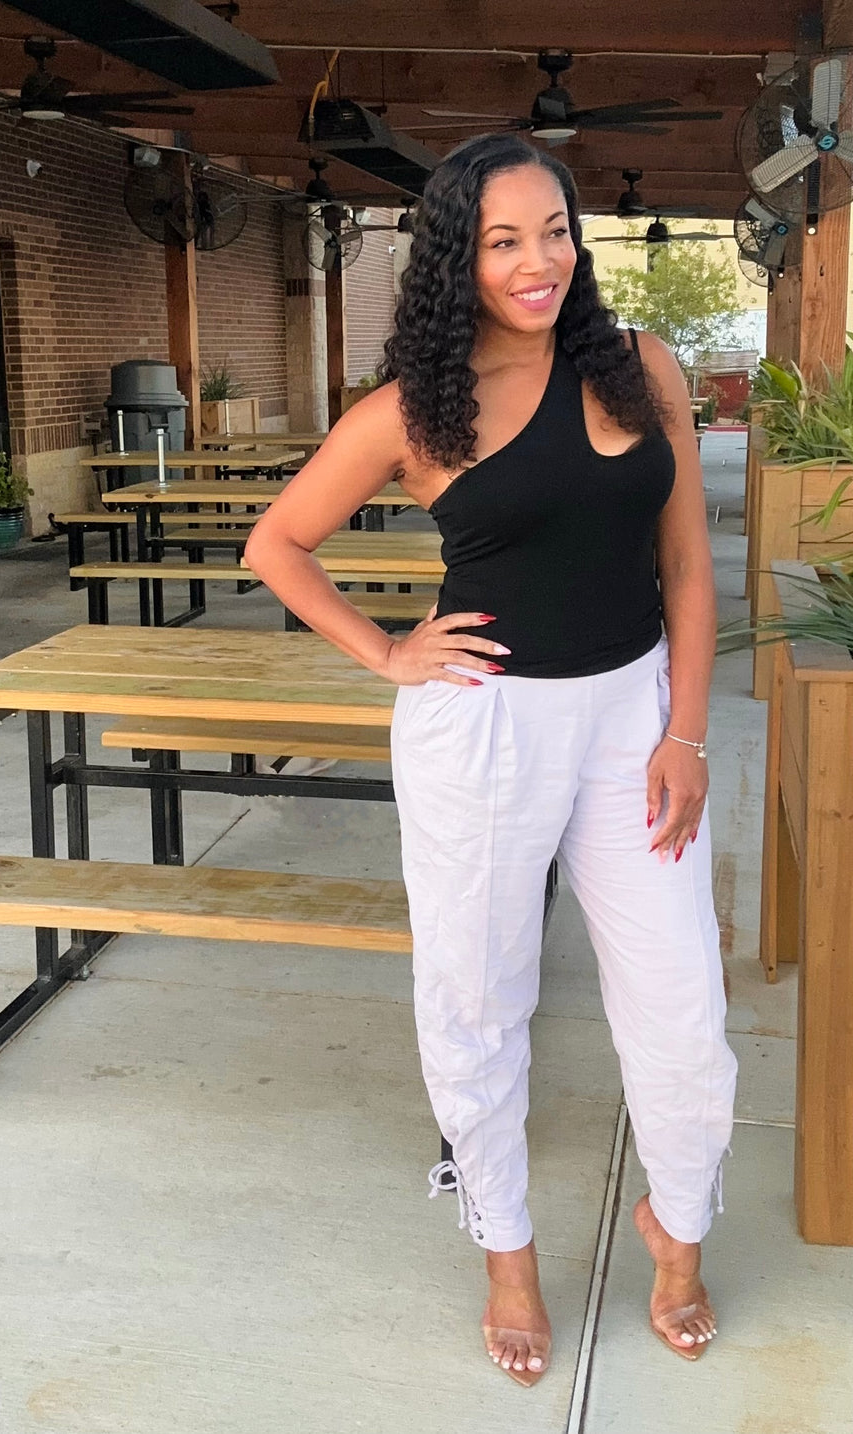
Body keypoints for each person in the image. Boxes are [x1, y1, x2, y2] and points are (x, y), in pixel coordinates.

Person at [244, 132, 737, 1387]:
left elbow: (685, 567)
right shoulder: (416, 408)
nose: (537, 262)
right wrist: (386, 651)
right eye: (503, 240)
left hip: (633, 716)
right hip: (483, 726)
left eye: (555, 232)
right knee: (477, 1000)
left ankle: (675, 1234)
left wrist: (685, 730)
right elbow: (279, 544)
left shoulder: (642, 368)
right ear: (455, 259)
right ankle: (505, 1251)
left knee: (680, 1010)